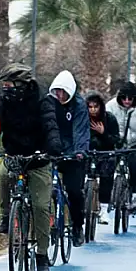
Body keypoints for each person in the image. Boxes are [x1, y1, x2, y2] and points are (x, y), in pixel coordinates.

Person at [0, 63, 62, 271]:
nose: (5, 88)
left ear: (22, 85)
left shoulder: (43, 100)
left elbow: (50, 126)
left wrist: (53, 148)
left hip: (38, 159)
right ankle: (7, 215)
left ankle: (42, 253)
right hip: (14, 154)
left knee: (41, 206)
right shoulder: (4, 102)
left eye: (9, 84)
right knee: (4, 175)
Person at [49, 70, 89, 247]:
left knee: (74, 191)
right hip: (54, 149)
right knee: (47, 190)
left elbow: (80, 130)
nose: (59, 95)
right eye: (56, 91)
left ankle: (78, 226)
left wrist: (79, 151)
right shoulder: (50, 104)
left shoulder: (79, 106)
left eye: (62, 91)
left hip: (73, 153)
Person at [106, 81, 136, 213]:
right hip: (117, 142)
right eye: (124, 98)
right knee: (108, 166)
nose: (127, 101)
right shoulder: (111, 106)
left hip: (135, 143)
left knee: (134, 165)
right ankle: (106, 196)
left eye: (130, 98)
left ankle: (135, 196)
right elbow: (104, 123)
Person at [86, 90, 121, 225]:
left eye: (96, 106)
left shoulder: (109, 118)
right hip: (88, 153)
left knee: (107, 177)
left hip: (106, 153)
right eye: (90, 107)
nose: (93, 110)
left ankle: (104, 210)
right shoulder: (83, 119)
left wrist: (103, 133)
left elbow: (116, 140)